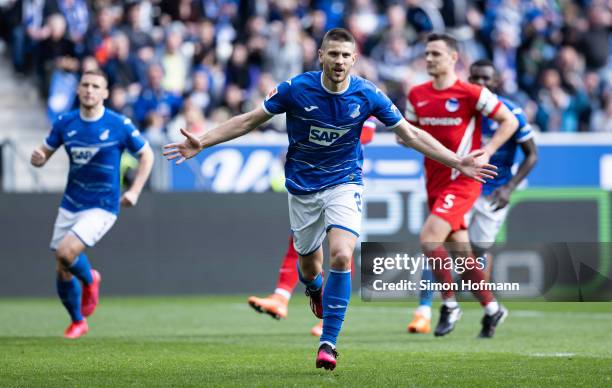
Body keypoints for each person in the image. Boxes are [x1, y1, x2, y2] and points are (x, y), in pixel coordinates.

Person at [163, 28, 496, 370]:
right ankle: (314, 290)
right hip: (303, 188)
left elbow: (410, 134)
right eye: (332, 54)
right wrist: (202, 141)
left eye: (345, 55)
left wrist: (458, 161)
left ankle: (328, 344)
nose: (339, 61)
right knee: (310, 270)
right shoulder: (296, 88)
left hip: (344, 182)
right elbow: (249, 120)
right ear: (321, 55)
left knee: (341, 255)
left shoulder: (367, 94)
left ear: (354, 59)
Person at [407, 59, 538, 336]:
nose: (480, 85)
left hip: (493, 193)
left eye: (485, 80)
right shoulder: (464, 106)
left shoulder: (508, 112)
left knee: (472, 253)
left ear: (495, 82)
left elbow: (532, 153)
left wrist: (509, 188)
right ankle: (428, 308)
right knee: (436, 239)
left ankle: (489, 310)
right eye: (475, 79)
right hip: (462, 186)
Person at [30, 69, 154, 339]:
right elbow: (44, 152)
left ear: (105, 93)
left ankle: (90, 279)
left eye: (95, 86)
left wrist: (134, 191)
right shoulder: (65, 123)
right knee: (62, 267)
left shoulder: (119, 124)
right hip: (71, 202)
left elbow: (147, 155)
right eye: (85, 85)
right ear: (78, 90)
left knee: (65, 253)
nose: (89, 90)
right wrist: (39, 157)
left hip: (103, 204)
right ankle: (78, 321)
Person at [247, 118, 377, 338]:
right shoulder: (317, 93)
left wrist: (330, 138)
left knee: (342, 251)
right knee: (301, 243)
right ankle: (283, 298)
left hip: (344, 182)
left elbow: (368, 133)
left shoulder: (361, 93)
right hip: (314, 182)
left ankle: (325, 316)